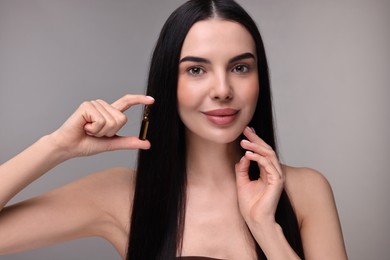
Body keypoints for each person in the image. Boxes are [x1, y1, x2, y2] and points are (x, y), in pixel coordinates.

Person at [0, 0, 348, 259]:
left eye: (240, 67)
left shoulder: (305, 191)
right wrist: (58, 146)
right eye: (196, 70)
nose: (222, 89)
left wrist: (266, 230)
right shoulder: (121, 195)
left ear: (260, 79)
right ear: (169, 83)